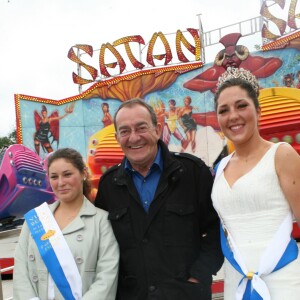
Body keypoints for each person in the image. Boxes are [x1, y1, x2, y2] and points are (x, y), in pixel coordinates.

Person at [94, 98, 223, 300]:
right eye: (125, 131)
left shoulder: (192, 172)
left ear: (158, 128)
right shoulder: (108, 186)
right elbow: (102, 246)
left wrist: (200, 274)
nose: (134, 137)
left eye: (141, 127)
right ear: (117, 136)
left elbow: (217, 229)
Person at [212, 67, 300, 299]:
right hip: (237, 284)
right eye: (224, 110)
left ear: (258, 111)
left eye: (241, 106)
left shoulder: (282, 155)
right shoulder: (220, 168)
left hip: (284, 283)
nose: (233, 116)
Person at [13, 148, 119, 300]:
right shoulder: (35, 220)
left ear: (83, 173)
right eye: (54, 177)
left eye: (67, 174)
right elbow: (21, 273)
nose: (61, 183)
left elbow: (107, 277)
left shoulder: (101, 221)